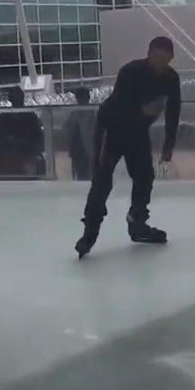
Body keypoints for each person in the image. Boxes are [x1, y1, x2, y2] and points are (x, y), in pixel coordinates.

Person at [75, 36, 181, 258]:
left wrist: (168, 144)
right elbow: (121, 106)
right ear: (149, 54)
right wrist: (143, 112)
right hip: (111, 129)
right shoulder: (130, 72)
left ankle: (138, 223)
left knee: (145, 177)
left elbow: (173, 112)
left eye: (165, 59)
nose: (160, 63)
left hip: (137, 132)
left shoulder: (171, 79)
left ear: (171, 58)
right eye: (157, 57)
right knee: (102, 180)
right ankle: (90, 233)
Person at [64, 87, 97, 180]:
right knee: (80, 175)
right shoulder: (74, 113)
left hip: (88, 149)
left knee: (89, 174)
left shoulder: (92, 113)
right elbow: (67, 128)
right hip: (78, 151)